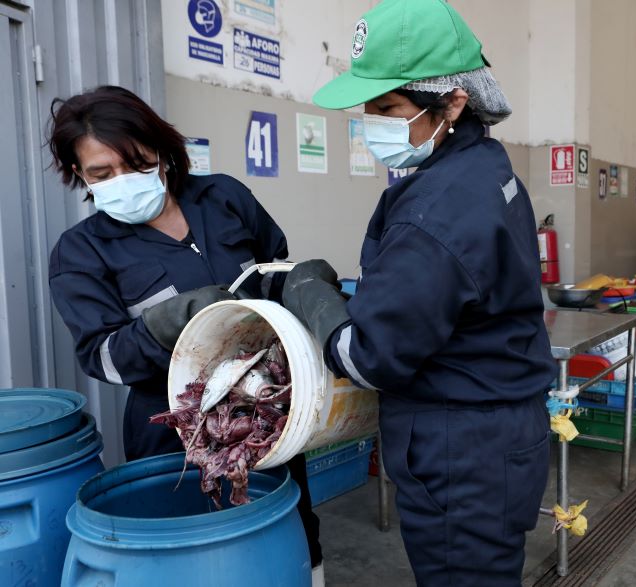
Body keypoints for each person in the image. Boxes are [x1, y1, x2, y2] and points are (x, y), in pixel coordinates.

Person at [282, 1, 557, 584]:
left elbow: (370, 357)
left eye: (388, 109)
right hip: (500, 434)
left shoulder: (437, 208)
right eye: (367, 108)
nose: (371, 123)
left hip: (462, 451)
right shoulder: (486, 166)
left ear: (453, 102)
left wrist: (310, 296)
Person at [46, 86, 324, 583]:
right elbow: (102, 356)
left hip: (267, 409)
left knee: (290, 527)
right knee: (197, 556)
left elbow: (271, 267)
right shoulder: (82, 252)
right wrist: (165, 323)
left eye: (137, 163)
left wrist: (302, 284)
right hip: (174, 431)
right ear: (78, 174)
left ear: (161, 151)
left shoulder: (223, 198)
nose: (123, 180)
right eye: (102, 174)